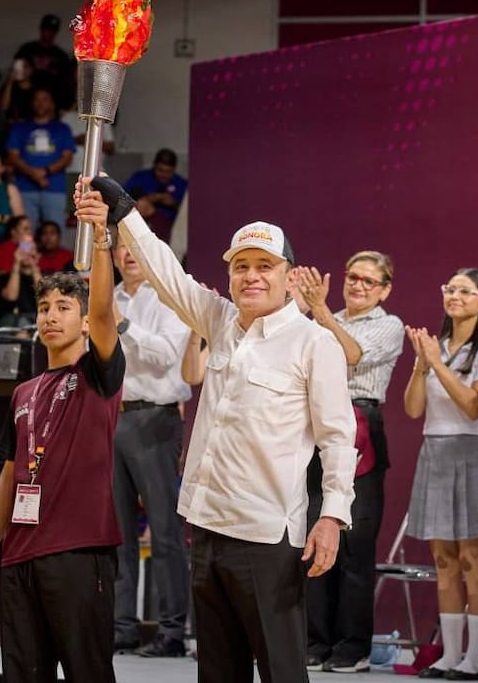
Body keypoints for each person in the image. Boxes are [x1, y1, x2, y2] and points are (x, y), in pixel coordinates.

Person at [94, 175, 357, 683]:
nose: (251, 277)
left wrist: (333, 517)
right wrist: (124, 212)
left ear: (288, 276)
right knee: (217, 673)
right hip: (206, 526)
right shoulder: (219, 321)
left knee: (281, 671)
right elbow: (166, 274)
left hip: (266, 537)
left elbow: (337, 439)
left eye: (264, 267)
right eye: (241, 267)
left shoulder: (313, 343)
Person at [0, 179, 123, 683]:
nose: (51, 317)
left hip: (78, 552)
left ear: (82, 322)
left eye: (63, 308)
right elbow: (9, 477)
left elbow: (103, 311)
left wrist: (99, 239)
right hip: (22, 555)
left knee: (86, 673)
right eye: (44, 308)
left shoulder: (99, 375)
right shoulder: (23, 392)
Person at [293, 251, 405, 674]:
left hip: (360, 423)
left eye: (369, 281)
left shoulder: (387, 324)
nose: (358, 286)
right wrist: (305, 310)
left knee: (354, 543)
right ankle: (315, 639)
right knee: (312, 535)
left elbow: (354, 354)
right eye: (352, 276)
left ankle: (352, 645)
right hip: (316, 424)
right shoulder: (321, 317)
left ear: (385, 290)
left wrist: (319, 311)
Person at [403, 267, 478, 680]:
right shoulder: (435, 345)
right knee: (443, 559)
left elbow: (473, 406)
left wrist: (437, 365)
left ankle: (474, 657)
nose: (455, 296)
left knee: (472, 557)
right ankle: (449, 655)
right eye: (450, 289)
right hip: (436, 451)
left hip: (473, 450)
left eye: (466, 291)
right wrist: (420, 365)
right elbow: (413, 409)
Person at [108, 234, 193, 657]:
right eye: (119, 247)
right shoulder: (110, 295)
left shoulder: (169, 297)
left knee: (164, 533)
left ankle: (171, 631)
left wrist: (121, 323)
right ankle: (121, 627)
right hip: (111, 417)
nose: (127, 253)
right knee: (116, 533)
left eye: (134, 246)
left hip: (154, 418)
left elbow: (163, 355)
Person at [5, 87, 75, 226]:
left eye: (45, 100)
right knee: (25, 232)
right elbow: (13, 156)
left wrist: (45, 172)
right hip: (24, 189)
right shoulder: (20, 128)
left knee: (55, 231)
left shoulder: (62, 129)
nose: (40, 103)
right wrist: (34, 174)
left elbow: (67, 157)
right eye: (37, 100)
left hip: (54, 188)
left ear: (52, 104)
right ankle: (24, 249)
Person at [124, 148, 188, 242]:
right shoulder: (142, 177)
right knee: (142, 204)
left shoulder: (181, 183)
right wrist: (149, 198)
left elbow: (190, 212)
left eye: (168, 172)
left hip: (170, 227)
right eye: (160, 170)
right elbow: (124, 198)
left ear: (174, 170)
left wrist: (173, 203)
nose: (164, 175)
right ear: (154, 166)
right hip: (140, 224)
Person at [14, 13, 75, 106]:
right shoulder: (27, 49)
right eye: (47, 29)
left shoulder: (60, 55)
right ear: (41, 29)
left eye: (52, 31)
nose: (49, 33)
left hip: (51, 99)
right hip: (27, 95)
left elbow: (66, 80)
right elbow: (17, 71)